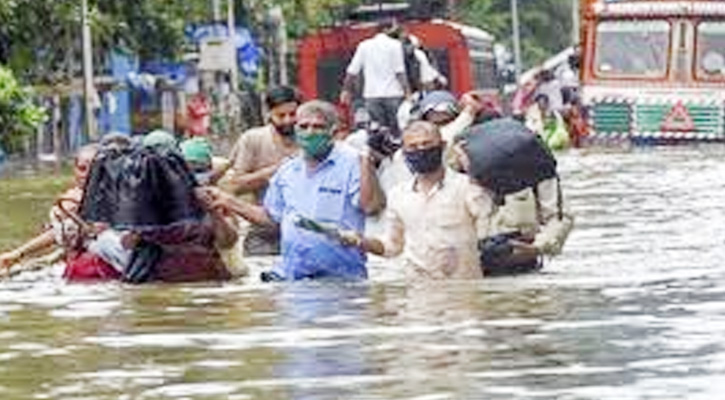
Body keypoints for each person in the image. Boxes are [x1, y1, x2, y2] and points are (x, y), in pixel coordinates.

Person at [208, 100, 386, 281]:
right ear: (296, 130)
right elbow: (271, 217)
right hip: (294, 276)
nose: (310, 132)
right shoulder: (287, 170)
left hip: (342, 277)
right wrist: (228, 201)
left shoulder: (353, 162)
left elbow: (371, 207)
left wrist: (367, 164)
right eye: (304, 126)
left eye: (318, 127)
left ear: (333, 131)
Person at [340, 121, 493, 280]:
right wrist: (360, 241)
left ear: (442, 146)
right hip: (418, 294)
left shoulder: (466, 186)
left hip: (464, 292)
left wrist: (472, 169)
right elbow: (392, 247)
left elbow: (486, 217)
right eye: (413, 147)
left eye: (427, 144)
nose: (421, 150)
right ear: (404, 153)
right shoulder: (398, 195)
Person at [456, 118, 574, 276]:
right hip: (470, 266)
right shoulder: (454, 176)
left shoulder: (537, 169)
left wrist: (537, 248)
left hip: (523, 265)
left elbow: (559, 218)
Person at [223, 85, 301, 256]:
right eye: (281, 115)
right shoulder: (253, 139)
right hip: (264, 234)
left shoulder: (310, 140)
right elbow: (235, 186)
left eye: (293, 114)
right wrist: (277, 170)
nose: (288, 120)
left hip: (304, 234)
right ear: (268, 114)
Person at [340, 20, 411, 137]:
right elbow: (399, 72)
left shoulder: (364, 45)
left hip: (371, 95)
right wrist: (408, 93)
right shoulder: (395, 45)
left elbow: (352, 71)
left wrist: (345, 90)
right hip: (393, 94)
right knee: (396, 131)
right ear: (386, 29)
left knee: (377, 130)